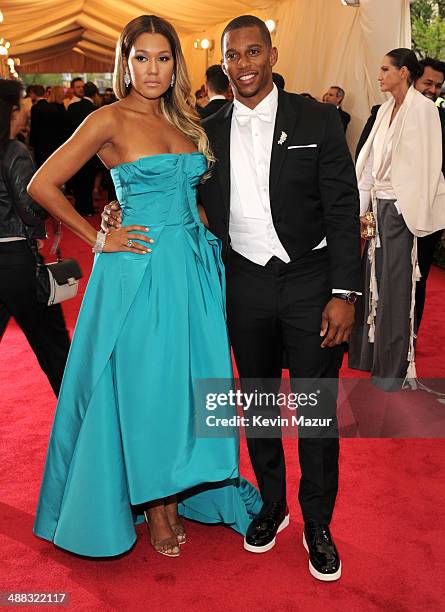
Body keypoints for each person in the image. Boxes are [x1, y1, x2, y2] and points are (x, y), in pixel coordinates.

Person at [104, 14, 361, 581]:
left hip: (310, 281)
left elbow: (344, 211)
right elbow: (170, 184)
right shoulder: (206, 128)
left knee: (316, 409)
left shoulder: (318, 119)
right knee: (260, 401)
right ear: (222, 62)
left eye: (252, 52)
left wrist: (346, 291)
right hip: (243, 282)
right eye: (232, 55)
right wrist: (116, 212)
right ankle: (272, 504)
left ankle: (318, 523)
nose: (242, 64)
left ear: (271, 54)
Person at [29, 14, 261, 560]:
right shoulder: (108, 119)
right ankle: (158, 505)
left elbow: (197, 193)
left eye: (162, 58)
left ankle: (180, 484)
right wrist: (97, 235)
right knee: (147, 385)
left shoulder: (188, 120)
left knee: (189, 384)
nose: (152, 69)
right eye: (141, 58)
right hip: (139, 272)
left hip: (192, 270)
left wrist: (200, 215)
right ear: (125, 63)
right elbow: (44, 184)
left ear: (175, 63)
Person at [349, 49, 445, 390]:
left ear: (403, 72)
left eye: (385, 68)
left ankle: (392, 371)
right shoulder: (385, 109)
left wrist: (407, 208)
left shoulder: (424, 111)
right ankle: (370, 358)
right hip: (378, 206)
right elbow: (371, 164)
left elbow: (431, 166)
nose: (379, 75)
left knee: (396, 288)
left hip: (404, 210)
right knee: (371, 282)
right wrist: (362, 209)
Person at [0, 79, 70, 397]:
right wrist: (49, 198)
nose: (28, 107)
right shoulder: (13, 151)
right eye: (23, 102)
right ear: (12, 110)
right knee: (55, 350)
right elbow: (29, 210)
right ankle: (84, 426)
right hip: (16, 263)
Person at [66, 82, 99, 216]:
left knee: (78, 178)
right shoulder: (95, 109)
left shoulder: (72, 107)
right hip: (91, 150)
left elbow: (67, 128)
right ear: (95, 94)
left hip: (74, 148)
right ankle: (87, 208)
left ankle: (79, 207)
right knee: (88, 180)